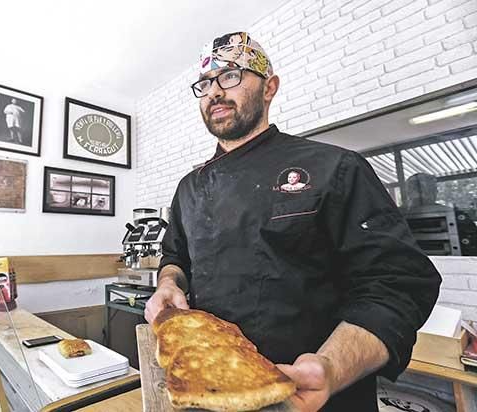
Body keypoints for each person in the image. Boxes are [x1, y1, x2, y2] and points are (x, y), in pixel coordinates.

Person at [144, 31, 441, 412]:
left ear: (270, 87)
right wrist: (169, 281)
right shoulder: (189, 186)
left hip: (314, 396)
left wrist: (332, 367)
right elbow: (176, 256)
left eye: (231, 75)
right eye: (204, 84)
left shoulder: (336, 167)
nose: (214, 91)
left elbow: (397, 285)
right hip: (206, 390)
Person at [403, 173, 477, 256]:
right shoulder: (457, 216)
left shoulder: (395, 218)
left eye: (431, 188)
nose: (422, 193)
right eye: (431, 188)